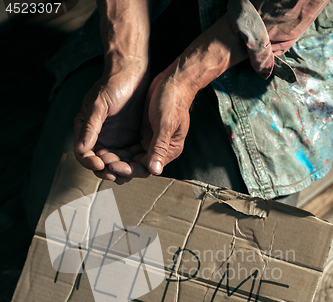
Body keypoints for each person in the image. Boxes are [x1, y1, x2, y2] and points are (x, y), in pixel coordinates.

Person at [24, 0, 333, 229]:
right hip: (157, 11)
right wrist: (125, 61)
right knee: (58, 212)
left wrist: (183, 82)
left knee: (218, 232)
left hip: (271, 39)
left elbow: (284, 10)